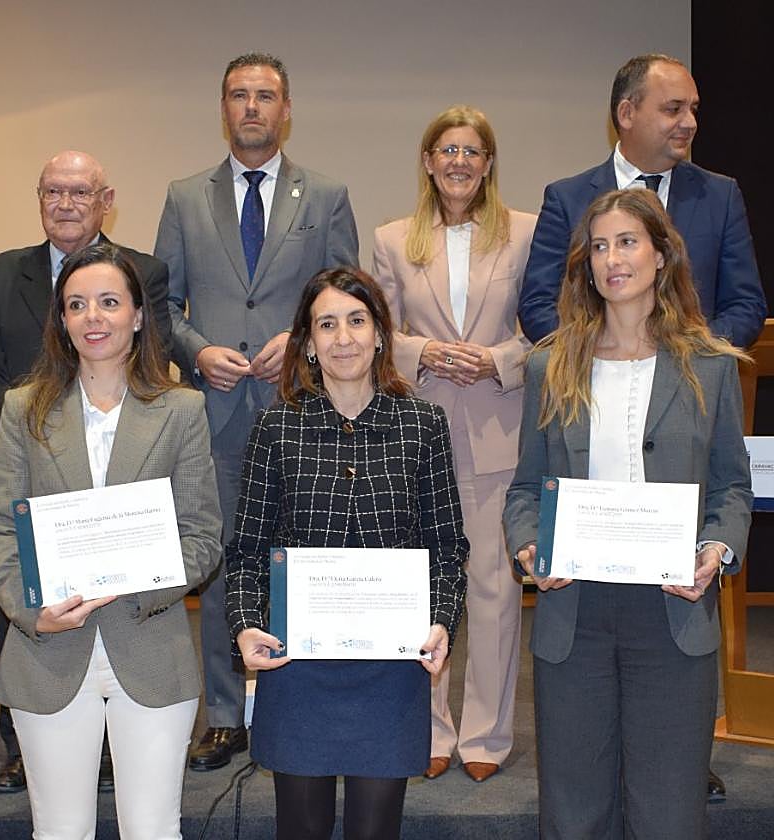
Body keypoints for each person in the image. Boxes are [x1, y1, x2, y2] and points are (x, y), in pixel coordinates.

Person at [518, 52, 764, 803]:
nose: (612, 259)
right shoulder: (551, 368)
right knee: (574, 807)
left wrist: (716, 549)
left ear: (661, 256)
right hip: (575, 611)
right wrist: (528, 546)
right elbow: (525, 490)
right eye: (599, 246)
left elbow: (731, 488)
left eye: (628, 243)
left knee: (667, 807)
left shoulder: (709, 370)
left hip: (672, 610)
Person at [154, 52, 359, 771]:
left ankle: (299, 699)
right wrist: (197, 350)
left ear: (286, 109)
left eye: (264, 96)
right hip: (214, 413)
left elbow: (346, 298)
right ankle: (222, 715)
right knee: (220, 564)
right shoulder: (184, 197)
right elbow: (160, 305)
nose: (251, 107)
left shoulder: (326, 195)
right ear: (223, 108)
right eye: (239, 95)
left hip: (301, 408)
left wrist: (300, 342)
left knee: (302, 556)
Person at [0, 242, 221, 839]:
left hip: (151, 645)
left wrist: (139, 587)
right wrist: (33, 612)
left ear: (138, 316)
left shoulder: (182, 409)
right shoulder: (23, 410)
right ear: (61, 321)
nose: (93, 317)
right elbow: (0, 528)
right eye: (77, 304)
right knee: (60, 831)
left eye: (109, 302)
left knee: (152, 830)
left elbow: (201, 536)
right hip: (48, 651)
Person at [226, 266, 468, 840]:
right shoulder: (276, 427)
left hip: (392, 669)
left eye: (357, 321)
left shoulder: (423, 424)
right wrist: (244, 623)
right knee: (301, 830)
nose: (343, 338)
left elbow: (447, 546)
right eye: (327, 324)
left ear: (380, 333)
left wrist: (442, 620)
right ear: (308, 343)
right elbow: (247, 550)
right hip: (298, 667)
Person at [0, 149, 170, 792]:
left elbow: (156, 360)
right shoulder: (1, 272)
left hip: (120, 472)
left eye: (80, 192)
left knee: (118, 611)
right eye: (52, 191)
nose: (65, 203)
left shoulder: (146, 271)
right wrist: (27, 440)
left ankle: (110, 744)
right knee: (27, 606)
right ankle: (22, 742)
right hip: (30, 463)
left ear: (106, 201)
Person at [370, 105, 536, 783]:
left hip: (499, 430)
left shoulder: (525, 232)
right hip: (420, 432)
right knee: (422, 587)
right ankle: (432, 728)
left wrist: (499, 359)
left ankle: (486, 737)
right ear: (428, 161)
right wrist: (423, 351)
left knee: (494, 590)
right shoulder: (391, 239)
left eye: (472, 151)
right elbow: (374, 330)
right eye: (447, 150)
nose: (459, 162)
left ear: (488, 163)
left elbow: (550, 327)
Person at [519, 53, 764, 349]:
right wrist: (603, 354)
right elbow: (537, 307)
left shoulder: (720, 197)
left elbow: (746, 306)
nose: (690, 123)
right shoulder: (567, 200)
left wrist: (688, 355)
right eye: (673, 109)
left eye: (693, 109)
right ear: (626, 114)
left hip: (692, 373)